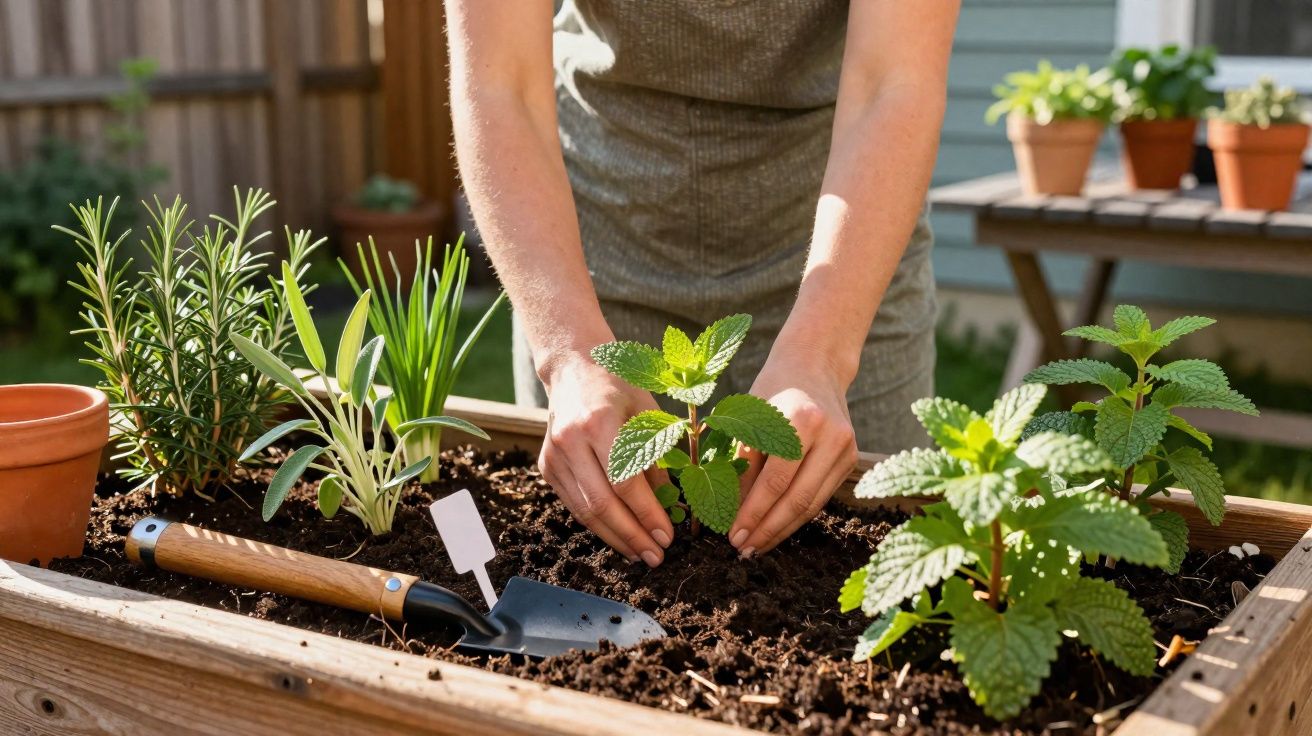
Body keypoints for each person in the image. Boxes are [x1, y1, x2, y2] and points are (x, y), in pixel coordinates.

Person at [446, 1, 960, 568]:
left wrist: (824, 354)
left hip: (845, 253)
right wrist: (568, 351)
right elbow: (501, 85)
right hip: (592, 252)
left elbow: (893, 82)